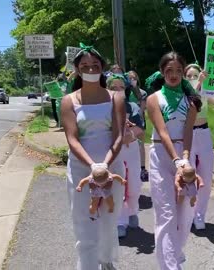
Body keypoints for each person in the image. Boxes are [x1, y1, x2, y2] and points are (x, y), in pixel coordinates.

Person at [61, 43, 126, 270]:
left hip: (112, 166)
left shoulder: (116, 97)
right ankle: (87, 265)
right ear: (77, 70)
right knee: (84, 222)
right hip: (81, 168)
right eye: (85, 66)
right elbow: (72, 138)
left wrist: (105, 165)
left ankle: (106, 260)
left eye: (95, 66)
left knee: (109, 219)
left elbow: (118, 136)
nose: (90, 70)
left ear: (102, 68)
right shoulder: (69, 100)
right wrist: (92, 166)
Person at [146, 52, 203, 270]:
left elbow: (188, 131)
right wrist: (177, 160)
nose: (174, 75)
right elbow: (162, 132)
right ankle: (169, 266)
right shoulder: (154, 99)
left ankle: (175, 254)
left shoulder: (190, 101)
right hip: (162, 154)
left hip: (184, 153)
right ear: (162, 72)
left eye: (178, 71)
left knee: (186, 212)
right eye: (169, 70)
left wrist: (186, 158)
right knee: (166, 214)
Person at [183, 63, 214, 230]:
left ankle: (199, 215)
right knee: (187, 176)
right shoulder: (182, 93)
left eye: (195, 75)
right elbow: (190, 99)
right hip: (187, 135)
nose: (192, 78)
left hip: (203, 134)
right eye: (188, 76)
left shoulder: (205, 92)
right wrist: (198, 84)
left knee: (206, 178)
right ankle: (186, 214)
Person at [106, 75, 145, 238]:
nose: (117, 91)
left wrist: (128, 133)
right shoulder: (103, 108)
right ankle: (120, 221)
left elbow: (139, 129)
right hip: (113, 150)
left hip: (131, 149)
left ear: (126, 89)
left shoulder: (132, 107)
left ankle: (132, 210)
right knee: (118, 184)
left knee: (134, 186)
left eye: (120, 87)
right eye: (113, 88)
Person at [127, 70, 149, 182]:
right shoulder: (125, 92)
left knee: (140, 145)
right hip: (126, 122)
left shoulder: (142, 93)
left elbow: (142, 108)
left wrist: (137, 121)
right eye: (129, 78)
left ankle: (142, 168)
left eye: (134, 78)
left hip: (139, 121)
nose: (132, 80)